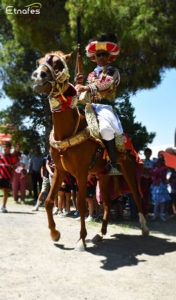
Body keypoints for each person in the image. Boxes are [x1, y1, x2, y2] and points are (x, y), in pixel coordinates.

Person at [75, 33, 123, 175]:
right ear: (94, 58)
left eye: (103, 54)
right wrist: (78, 83)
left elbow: (107, 84)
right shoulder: (90, 75)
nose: (100, 57)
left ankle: (113, 164)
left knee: (106, 130)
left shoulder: (113, 71)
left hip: (104, 107)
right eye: (98, 55)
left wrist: (87, 87)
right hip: (88, 106)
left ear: (109, 57)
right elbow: (83, 91)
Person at [151, 153, 171, 221]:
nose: (159, 163)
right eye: (158, 162)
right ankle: (154, 215)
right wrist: (162, 168)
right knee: (156, 202)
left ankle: (161, 215)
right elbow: (154, 172)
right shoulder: (155, 166)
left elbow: (163, 175)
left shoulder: (164, 167)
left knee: (163, 202)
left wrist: (162, 168)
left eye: (160, 161)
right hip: (156, 186)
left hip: (162, 186)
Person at [0, 141, 17, 213]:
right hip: (0, 176)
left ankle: (3, 206)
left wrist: (12, 178)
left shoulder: (12, 157)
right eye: (3, 146)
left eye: (6, 147)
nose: (5, 148)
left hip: (7, 177)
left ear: (10, 148)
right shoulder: (0, 156)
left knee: (6, 191)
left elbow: (13, 169)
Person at [140, 148, 154, 216]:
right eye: (147, 153)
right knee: (142, 197)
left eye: (149, 153)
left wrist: (147, 171)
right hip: (142, 181)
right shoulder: (142, 161)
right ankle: (141, 212)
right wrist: (147, 171)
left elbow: (152, 172)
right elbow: (141, 170)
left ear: (151, 154)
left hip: (150, 181)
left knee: (148, 198)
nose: (148, 154)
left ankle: (146, 212)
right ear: (144, 153)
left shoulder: (152, 162)